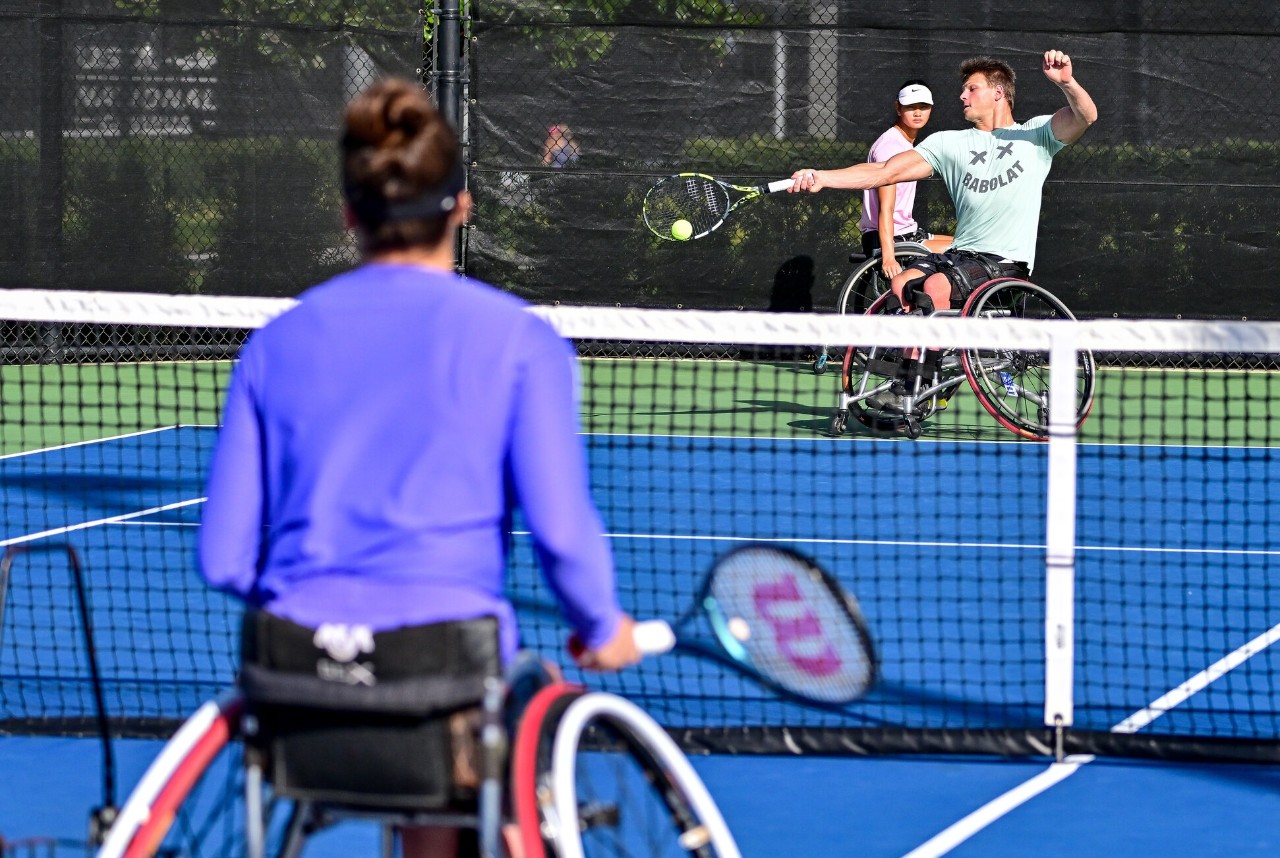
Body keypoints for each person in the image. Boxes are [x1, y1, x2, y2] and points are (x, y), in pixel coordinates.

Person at [198, 78, 640, 856]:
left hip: (297, 677)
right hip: (452, 679)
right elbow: (562, 536)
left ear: (349, 214)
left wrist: (330, 618)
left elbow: (223, 557)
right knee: (489, 751)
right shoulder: (520, 344)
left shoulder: (274, 346)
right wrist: (602, 629)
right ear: (461, 206)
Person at [791, 50, 1096, 410]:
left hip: (1004, 267)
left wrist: (1066, 83)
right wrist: (822, 177)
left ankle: (916, 387)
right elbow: (884, 172)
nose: (962, 97)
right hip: (960, 259)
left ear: (998, 93)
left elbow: (1085, 116)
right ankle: (916, 368)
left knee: (935, 286)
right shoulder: (947, 144)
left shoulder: (1038, 136)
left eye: (971, 89)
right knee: (903, 282)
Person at [859, 79, 953, 280]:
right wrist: (889, 257)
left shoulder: (904, 144)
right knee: (967, 251)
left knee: (966, 241)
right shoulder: (890, 148)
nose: (918, 112)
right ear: (898, 108)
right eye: (911, 107)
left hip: (906, 233)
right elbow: (887, 208)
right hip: (890, 240)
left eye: (923, 107)